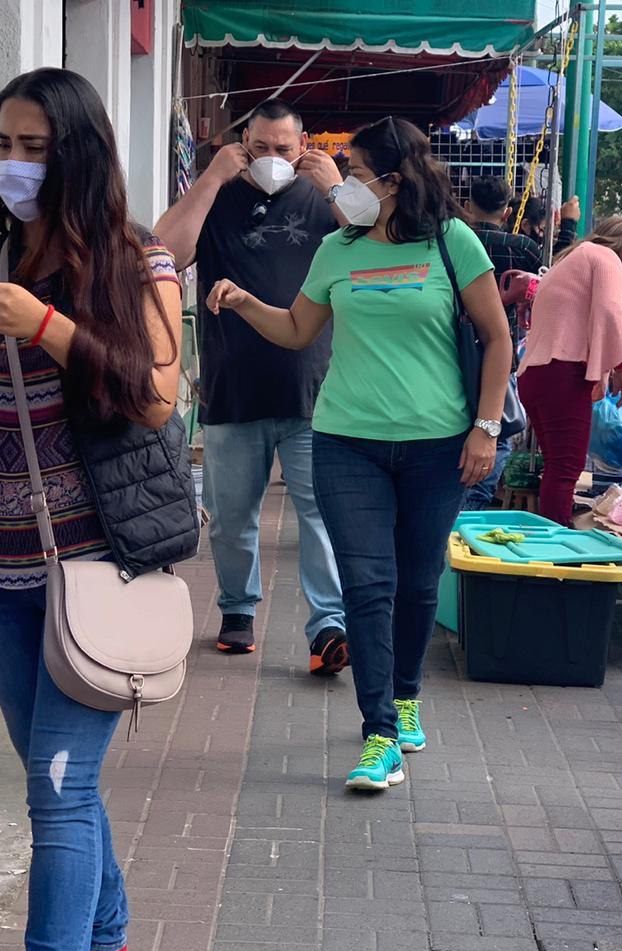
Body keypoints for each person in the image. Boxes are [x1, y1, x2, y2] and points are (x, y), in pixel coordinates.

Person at [0, 68, 199, 951]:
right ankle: (108, 934)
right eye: (3, 146)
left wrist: (47, 326)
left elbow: (155, 399)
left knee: (58, 790)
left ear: (78, 158)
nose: (14, 165)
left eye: (35, 148)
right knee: (54, 779)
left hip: (97, 569)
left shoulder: (138, 263)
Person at [205, 117, 511, 791]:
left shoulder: (452, 243)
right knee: (367, 586)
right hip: (346, 441)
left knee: (418, 581)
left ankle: (405, 696)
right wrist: (247, 300)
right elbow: (296, 328)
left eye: (359, 170)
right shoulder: (337, 248)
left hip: (438, 445)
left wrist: (484, 428)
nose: (346, 180)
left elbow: (496, 337)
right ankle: (379, 734)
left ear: (394, 181)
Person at [154, 99, 349, 673]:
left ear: (303, 144)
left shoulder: (324, 197)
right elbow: (164, 252)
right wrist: (212, 176)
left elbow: (372, 250)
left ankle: (327, 628)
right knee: (232, 514)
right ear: (242, 145)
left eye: (283, 149)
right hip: (232, 384)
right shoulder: (220, 196)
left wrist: (336, 185)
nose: (271, 160)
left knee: (320, 515)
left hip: (315, 388)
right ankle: (237, 611)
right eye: (259, 148)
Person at [518, 216, 622, 526]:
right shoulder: (605, 257)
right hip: (561, 373)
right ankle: (558, 544)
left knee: (556, 466)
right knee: (565, 468)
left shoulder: (573, 257)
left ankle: (554, 527)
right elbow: (609, 311)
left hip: (535, 373)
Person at [463, 176, 544, 510]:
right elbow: (549, 275)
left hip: (457, 349)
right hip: (501, 352)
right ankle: (473, 504)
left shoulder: (457, 242)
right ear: (508, 211)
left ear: (467, 206)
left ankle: (464, 504)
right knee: (497, 432)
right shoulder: (521, 248)